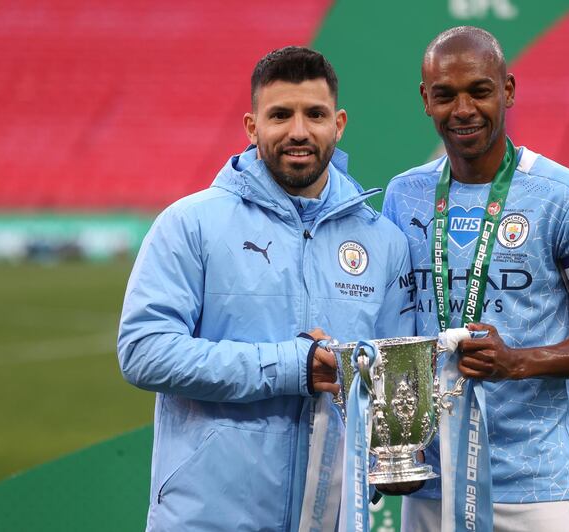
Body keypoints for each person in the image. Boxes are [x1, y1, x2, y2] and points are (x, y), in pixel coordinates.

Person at [117, 46, 415, 531]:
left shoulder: (383, 241)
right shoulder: (189, 224)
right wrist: (288, 366)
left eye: (314, 114)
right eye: (280, 115)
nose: (298, 131)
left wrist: (394, 450)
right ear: (252, 127)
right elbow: (143, 351)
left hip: (331, 517)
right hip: (208, 517)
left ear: (338, 124)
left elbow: (393, 370)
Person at [382, 27, 569, 531]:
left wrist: (517, 362)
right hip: (431, 484)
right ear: (425, 99)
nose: (463, 110)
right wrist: (392, 444)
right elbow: (395, 328)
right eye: (445, 94)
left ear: (509, 90)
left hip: (531, 489)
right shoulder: (402, 196)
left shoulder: (565, 198)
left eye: (479, 91)